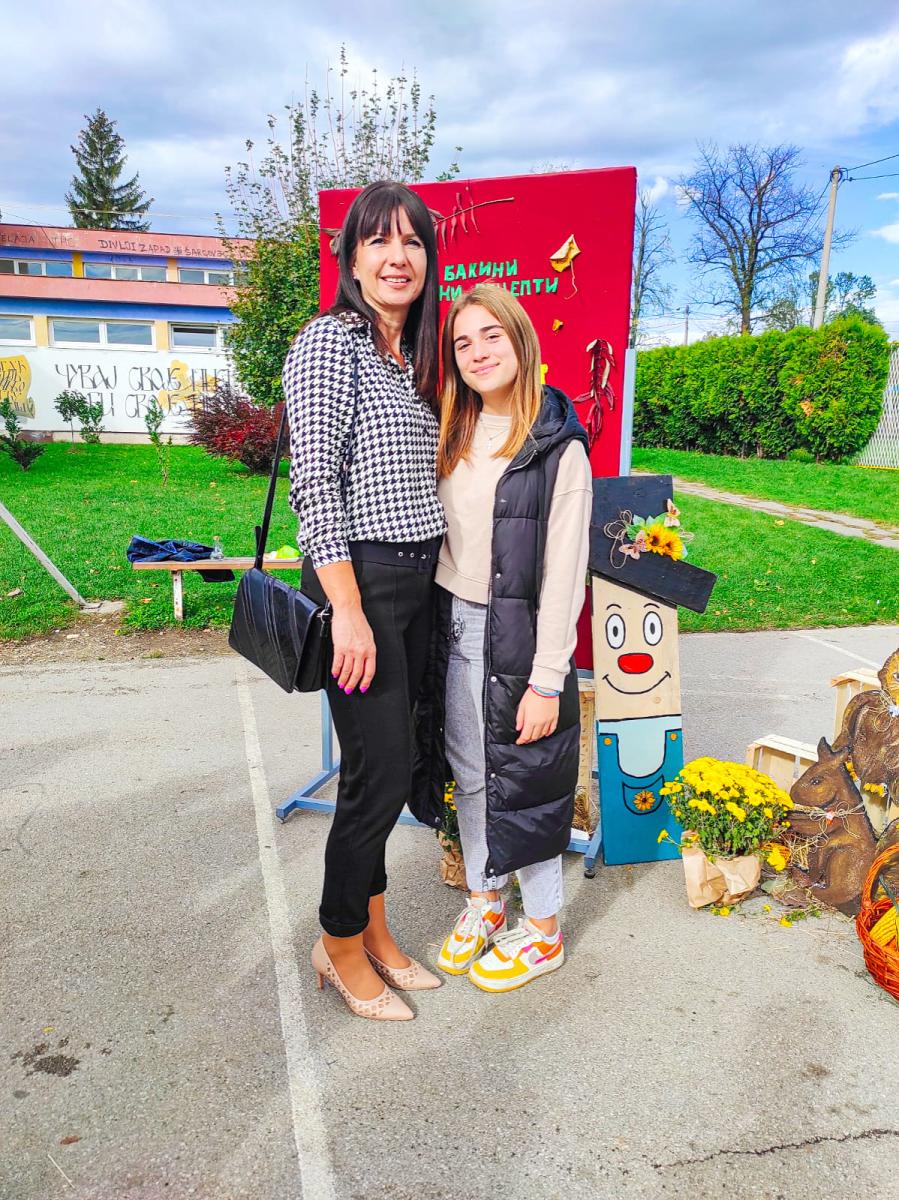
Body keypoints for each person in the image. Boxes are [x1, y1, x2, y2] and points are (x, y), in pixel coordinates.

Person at [283, 181, 446, 1022]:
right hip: (362, 582)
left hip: (419, 581)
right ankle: (338, 940)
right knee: (377, 775)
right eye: (379, 241)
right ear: (350, 258)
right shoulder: (329, 342)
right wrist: (346, 610)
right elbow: (314, 484)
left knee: (391, 764)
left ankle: (375, 929)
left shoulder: (414, 353)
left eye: (411, 241)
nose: (396, 257)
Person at [427, 283, 592, 992]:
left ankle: (545, 931)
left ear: (520, 340)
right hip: (452, 626)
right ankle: (486, 898)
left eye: (491, 335)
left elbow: (565, 573)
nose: (477, 352)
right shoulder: (450, 430)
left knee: (524, 783)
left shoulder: (558, 446)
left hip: (520, 637)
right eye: (463, 342)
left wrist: (547, 680)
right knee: (470, 776)